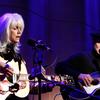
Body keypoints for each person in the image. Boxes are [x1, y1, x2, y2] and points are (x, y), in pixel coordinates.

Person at [55, 32, 100, 100]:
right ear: (95, 44)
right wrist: (79, 75)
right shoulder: (83, 57)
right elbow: (59, 67)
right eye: (98, 42)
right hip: (81, 96)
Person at [0, 13, 30, 100]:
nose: (19, 32)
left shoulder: (17, 58)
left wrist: (22, 85)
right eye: (15, 28)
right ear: (5, 30)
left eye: (20, 29)